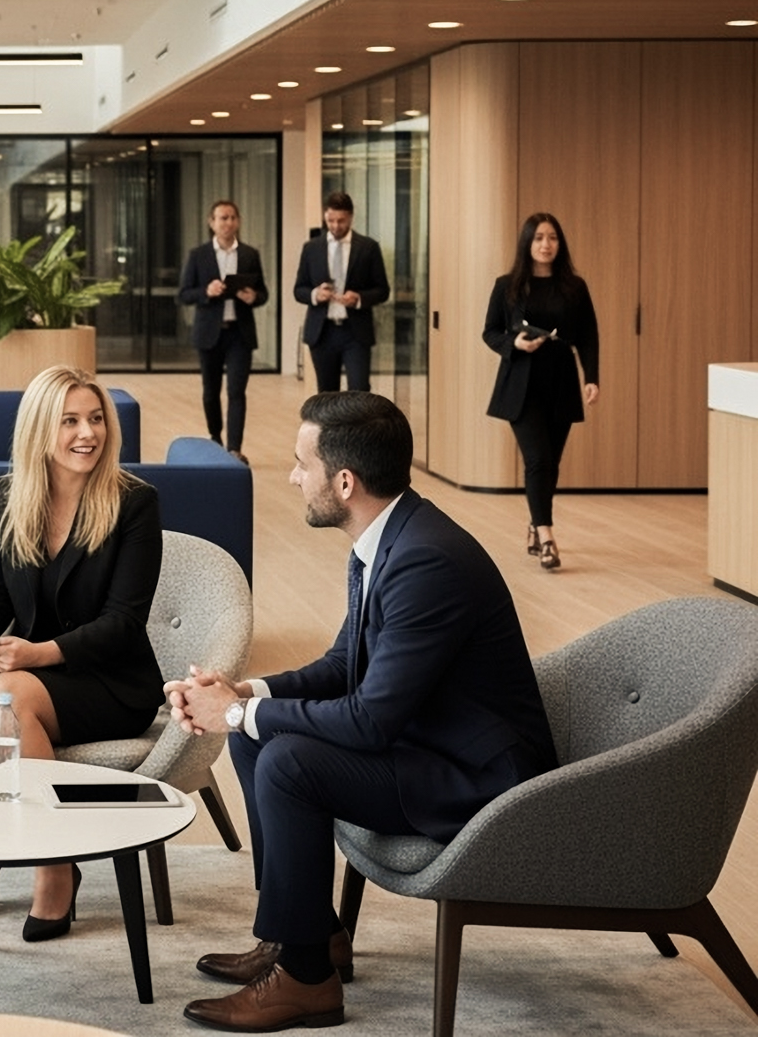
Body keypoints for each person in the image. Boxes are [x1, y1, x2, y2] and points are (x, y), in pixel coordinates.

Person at [167, 392, 556, 1032]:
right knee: (259, 739)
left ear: (344, 482)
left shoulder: (425, 559)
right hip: (427, 743)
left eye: (300, 464)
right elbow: (343, 663)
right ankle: (307, 937)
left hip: (479, 779)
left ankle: (307, 982)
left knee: (287, 758)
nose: (293, 476)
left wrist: (233, 715)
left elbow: (370, 720)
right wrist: (245, 695)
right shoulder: (390, 538)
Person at [0, 365, 163, 943]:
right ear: (38, 430)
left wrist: (37, 655)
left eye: (96, 419)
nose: (88, 434)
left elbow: (124, 625)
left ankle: (55, 865)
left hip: (108, 679)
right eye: (70, 420)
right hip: (25, 664)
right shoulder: (5, 496)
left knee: (7, 692)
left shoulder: (134, 503)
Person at [482, 212, 599, 572]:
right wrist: (513, 342)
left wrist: (591, 377)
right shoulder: (507, 286)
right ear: (527, 244)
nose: (546, 245)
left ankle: (535, 522)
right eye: (538, 238)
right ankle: (547, 535)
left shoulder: (574, 287)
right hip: (521, 385)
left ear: (559, 244)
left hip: (561, 382)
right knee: (538, 459)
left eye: (552, 238)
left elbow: (589, 336)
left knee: (551, 463)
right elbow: (490, 332)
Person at [177, 199, 268, 460]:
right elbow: (183, 294)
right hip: (209, 333)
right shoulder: (198, 255)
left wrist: (254, 297)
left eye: (232, 218)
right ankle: (215, 438)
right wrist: (206, 292)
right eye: (222, 218)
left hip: (240, 333)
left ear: (238, 221)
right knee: (210, 391)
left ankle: (235, 449)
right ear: (212, 222)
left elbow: (263, 292)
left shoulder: (250, 254)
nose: (228, 223)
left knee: (237, 391)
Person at [293, 192, 390, 393]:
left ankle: (357, 426)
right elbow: (299, 289)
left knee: (360, 390)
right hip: (322, 332)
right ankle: (331, 427)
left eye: (341, 221)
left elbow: (383, 290)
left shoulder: (368, 248)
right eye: (330, 220)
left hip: (355, 333)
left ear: (351, 217)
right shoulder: (311, 248)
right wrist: (315, 295)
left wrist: (360, 299)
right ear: (325, 216)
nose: (336, 226)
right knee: (327, 395)